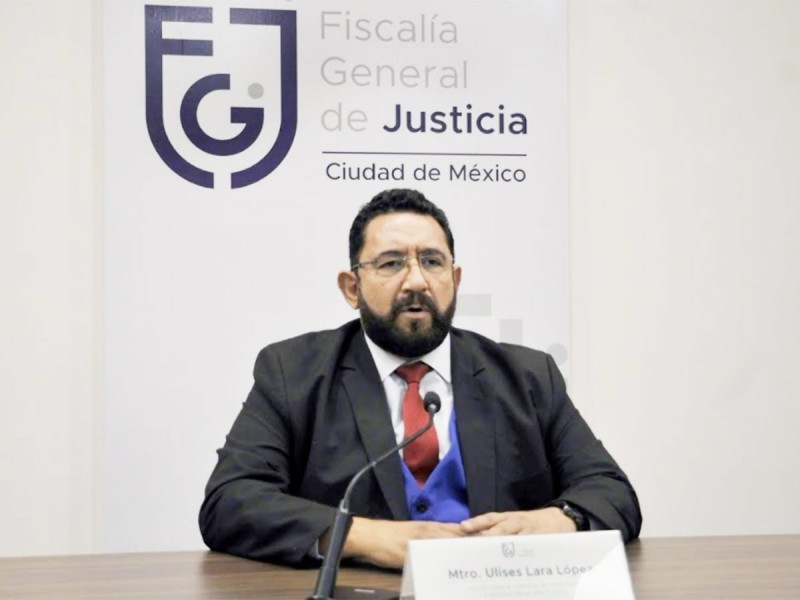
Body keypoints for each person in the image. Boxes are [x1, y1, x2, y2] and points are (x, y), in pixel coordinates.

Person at [199, 188, 641, 569]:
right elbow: (230, 501)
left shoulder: (528, 377)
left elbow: (611, 492)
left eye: (432, 262)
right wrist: (366, 537)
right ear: (352, 288)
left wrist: (555, 522)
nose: (416, 281)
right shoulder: (293, 372)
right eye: (391, 263)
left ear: (455, 279)